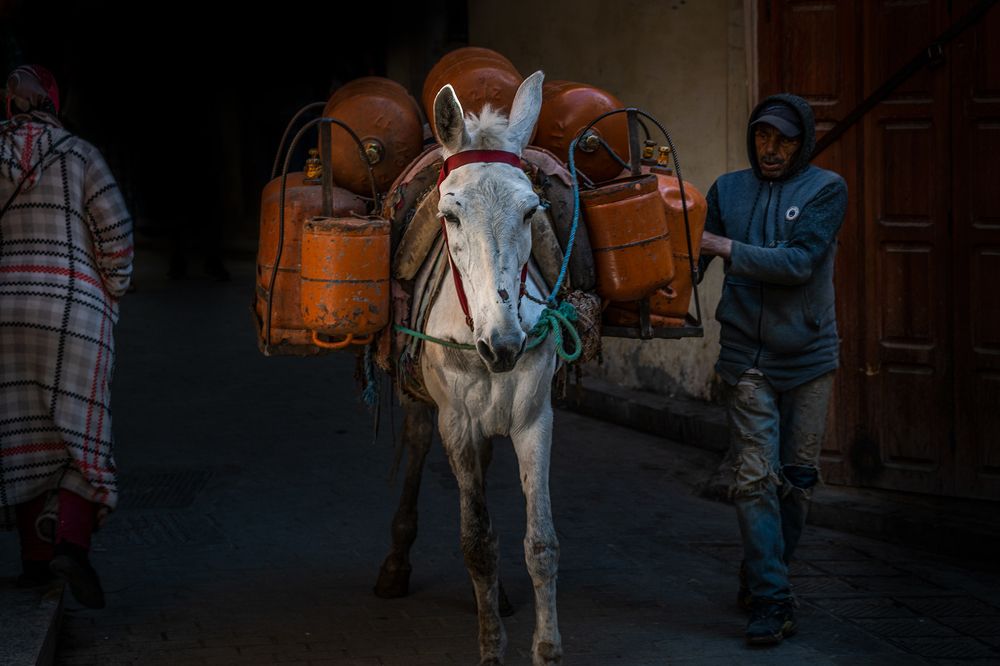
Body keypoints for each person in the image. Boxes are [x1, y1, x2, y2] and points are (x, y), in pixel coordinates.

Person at [699, 94, 848, 645]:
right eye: (763, 136)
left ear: (802, 141)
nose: (772, 148)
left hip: (809, 358)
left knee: (798, 481)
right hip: (747, 359)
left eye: (784, 138)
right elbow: (690, 262)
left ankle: (764, 568)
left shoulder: (826, 190)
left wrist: (720, 245)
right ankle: (772, 598)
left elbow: (799, 264)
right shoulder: (726, 190)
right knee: (755, 477)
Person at [0, 65, 133, 608]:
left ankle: (35, 561)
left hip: (5, 310)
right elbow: (117, 235)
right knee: (81, 435)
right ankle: (71, 547)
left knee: (23, 433)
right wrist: (109, 293)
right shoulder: (81, 155)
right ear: (54, 102)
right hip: (73, 309)